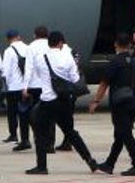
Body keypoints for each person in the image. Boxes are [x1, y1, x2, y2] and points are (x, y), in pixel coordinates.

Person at [23, 30, 96, 175]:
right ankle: (90, 160)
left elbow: (38, 75)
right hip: (64, 101)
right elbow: (75, 79)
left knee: (40, 132)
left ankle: (42, 166)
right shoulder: (68, 58)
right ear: (61, 43)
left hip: (47, 100)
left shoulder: (41, 58)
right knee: (70, 132)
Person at [90, 33, 135, 176]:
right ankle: (109, 164)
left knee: (125, 134)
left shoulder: (114, 62)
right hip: (132, 101)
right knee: (120, 134)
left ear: (116, 44)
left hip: (119, 103)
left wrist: (96, 101)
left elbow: (104, 83)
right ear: (129, 45)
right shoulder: (134, 62)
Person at [20, 26, 50, 153]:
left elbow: (29, 68)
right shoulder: (50, 45)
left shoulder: (31, 47)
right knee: (48, 115)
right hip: (47, 86)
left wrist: (25, 87)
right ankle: (49, 143)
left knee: (32, 115)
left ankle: (38, 138)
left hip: (34, 86)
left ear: (34, 35)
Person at [1, 29, 31, 149]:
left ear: (8, 39)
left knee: (12, 112)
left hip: (13, 87)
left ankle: (13, 134)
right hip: (26, 86)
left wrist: (6, 85)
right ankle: (25, 138)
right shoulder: (28, 48)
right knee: (24, 113)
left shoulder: (9, 51)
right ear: (18, 36)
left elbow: (6, 72)